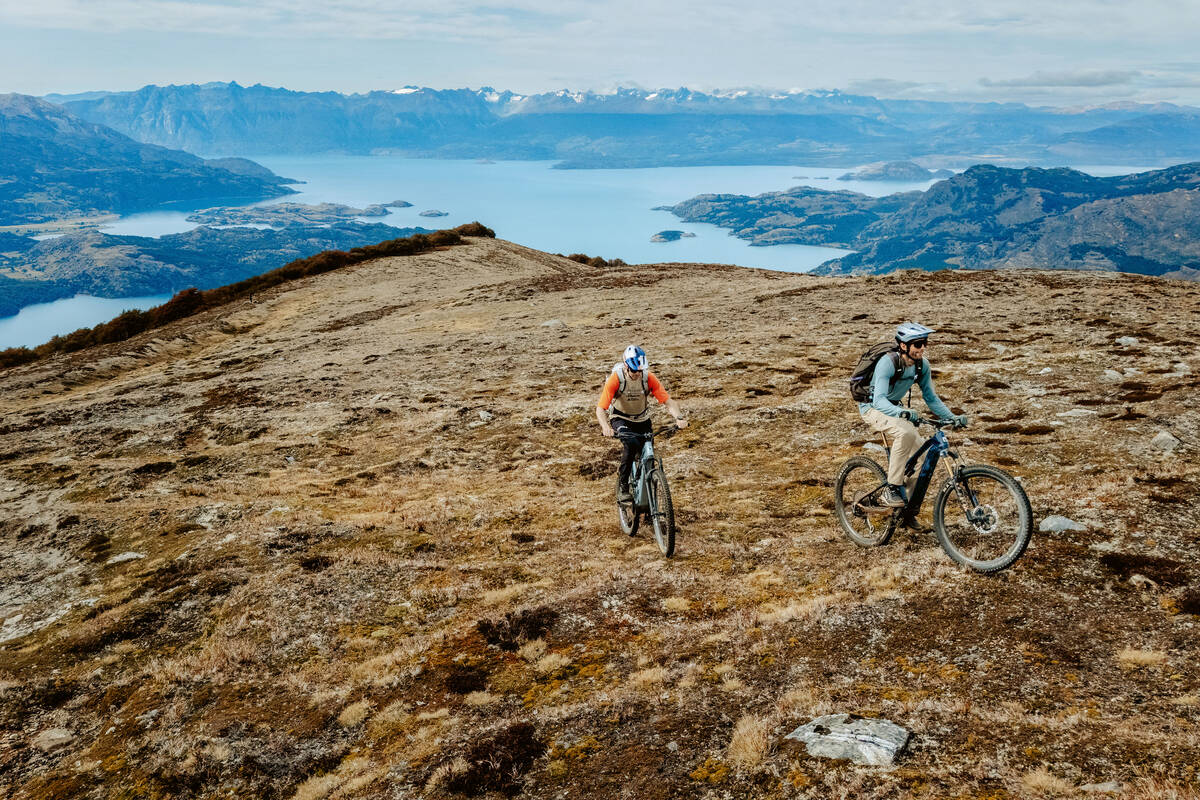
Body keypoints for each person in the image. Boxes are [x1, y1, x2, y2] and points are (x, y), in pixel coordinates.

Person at [858, 322, 968, 519]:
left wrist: (952, 417)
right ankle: (891, 488)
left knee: (921, 456)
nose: (922, 347)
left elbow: (931, 398)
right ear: (903, 346)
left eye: (924, 343)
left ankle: (904, 512)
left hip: (895, 409)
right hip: (872, 407)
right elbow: (879, 400)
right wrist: (903, 413)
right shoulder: (888, 362)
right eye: (918, 344)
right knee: (905, 433)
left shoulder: (921, 365)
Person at [596, 345, 687, 501]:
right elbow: (600, 408)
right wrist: (606, 427)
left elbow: (668, 401)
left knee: (648, 453)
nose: (637, 374)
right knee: (630, 444)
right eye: (633, 370)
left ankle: (649, 503)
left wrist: (679, 417)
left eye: (640, 370)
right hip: (621, 418)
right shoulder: (616, 379)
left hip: (642, 419)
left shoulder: (648, 377)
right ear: (626, 366)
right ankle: (624, 485)